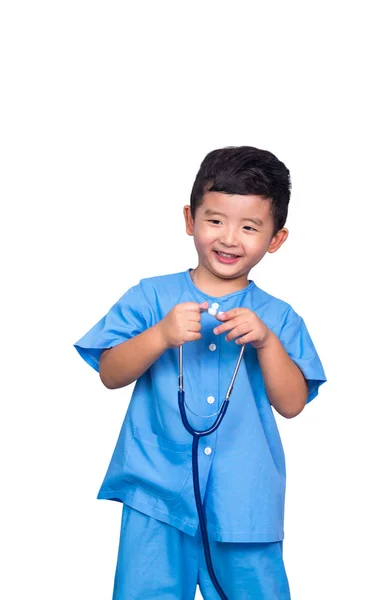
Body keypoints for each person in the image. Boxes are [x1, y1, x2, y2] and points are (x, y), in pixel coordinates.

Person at [74, 145, 327, 599]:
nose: (230, 238)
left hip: (244, 504)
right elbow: (110, 373)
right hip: (156, 499)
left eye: (250, 227)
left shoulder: (280, 318)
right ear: (190, 220)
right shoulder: (151, 297)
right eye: (215, 220)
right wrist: (160, 337)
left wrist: (268, 344)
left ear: (276, 239)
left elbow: (291, 404)